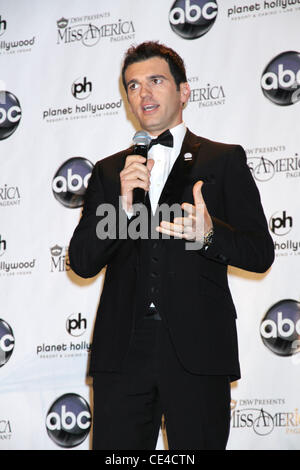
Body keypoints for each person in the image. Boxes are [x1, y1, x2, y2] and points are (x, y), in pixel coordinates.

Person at [69, 41, 274, 450]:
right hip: (122, 353)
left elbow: (259, 252)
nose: (143, 93)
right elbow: (82, 261)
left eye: (155, 81)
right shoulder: (111, 172)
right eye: (133, 85)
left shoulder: (223, 160)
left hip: (199, 350)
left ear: (184, 92)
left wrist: (211, 233)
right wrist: (122, 209)